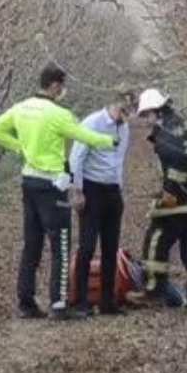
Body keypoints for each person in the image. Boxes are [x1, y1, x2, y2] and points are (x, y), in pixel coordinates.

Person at [0, 64, 117, 320]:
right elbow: (84, 136)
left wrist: (20, 148)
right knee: (61, 242)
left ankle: (26, 302)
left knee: (32, 243)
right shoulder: (58, 114)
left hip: (29, 181)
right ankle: (58, 304)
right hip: (52, 185)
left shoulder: (20, 107)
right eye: (62, 86)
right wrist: (110, 141)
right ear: (55, 85)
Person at [137, 88, 187, 308]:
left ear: (156, 110)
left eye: (146, 114)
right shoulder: (178, 124)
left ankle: (154, 290)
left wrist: (168, 194)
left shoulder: (167, 130)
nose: (145, 120)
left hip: (184, 200)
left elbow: (181, 163)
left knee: (156, 237)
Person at [67, 92, 136, 316]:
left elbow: (118, 161)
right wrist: (77, 190)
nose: (125, 116)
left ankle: (107, 301)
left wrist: (119, 191)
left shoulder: (124, 128)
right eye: (122, 110)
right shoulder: (92, 123)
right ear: (112, 104)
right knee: (87, 246)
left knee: (110, 247)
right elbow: (76, 157)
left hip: (112, 190)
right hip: (91, 187)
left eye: (128, 112)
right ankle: (80, 301)